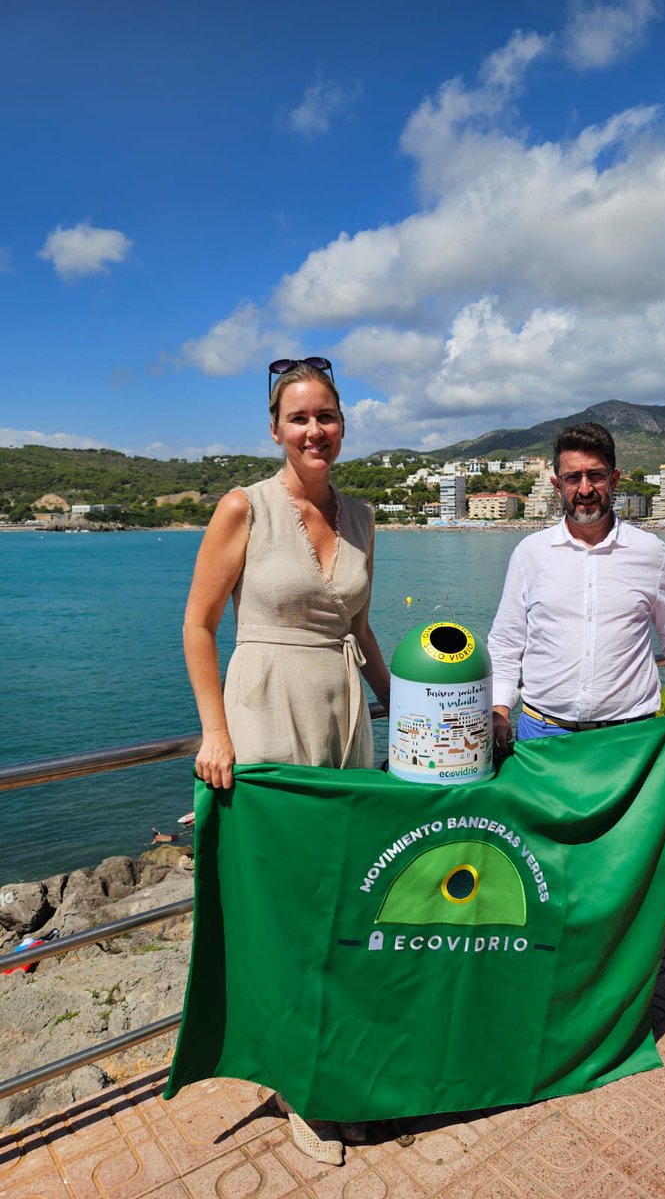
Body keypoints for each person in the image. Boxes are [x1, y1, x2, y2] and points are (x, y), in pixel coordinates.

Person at [183, 356, 391, 1166]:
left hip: (346, 720)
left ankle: (335, 1069)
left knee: (346, 905)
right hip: (266, 713)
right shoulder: (245, 508)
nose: (315, 430)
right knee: (289, 911)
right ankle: (301, 1087)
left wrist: (402, 707)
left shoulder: (366, 516)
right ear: (275, 429)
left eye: (327, 416)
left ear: (344, 426)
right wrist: (214, 730)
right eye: (299, 417)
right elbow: (200, 624)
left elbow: (362, 628)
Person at [488, 422, 665, 753]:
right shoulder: (529, 554)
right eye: (572, 478)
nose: (584, 489)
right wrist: (498, 709)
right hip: (542, 736)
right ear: (556, 484)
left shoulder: (651, 552)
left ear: (614, 479)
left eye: (595, 475)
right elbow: (507, 643)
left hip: (629, 738)